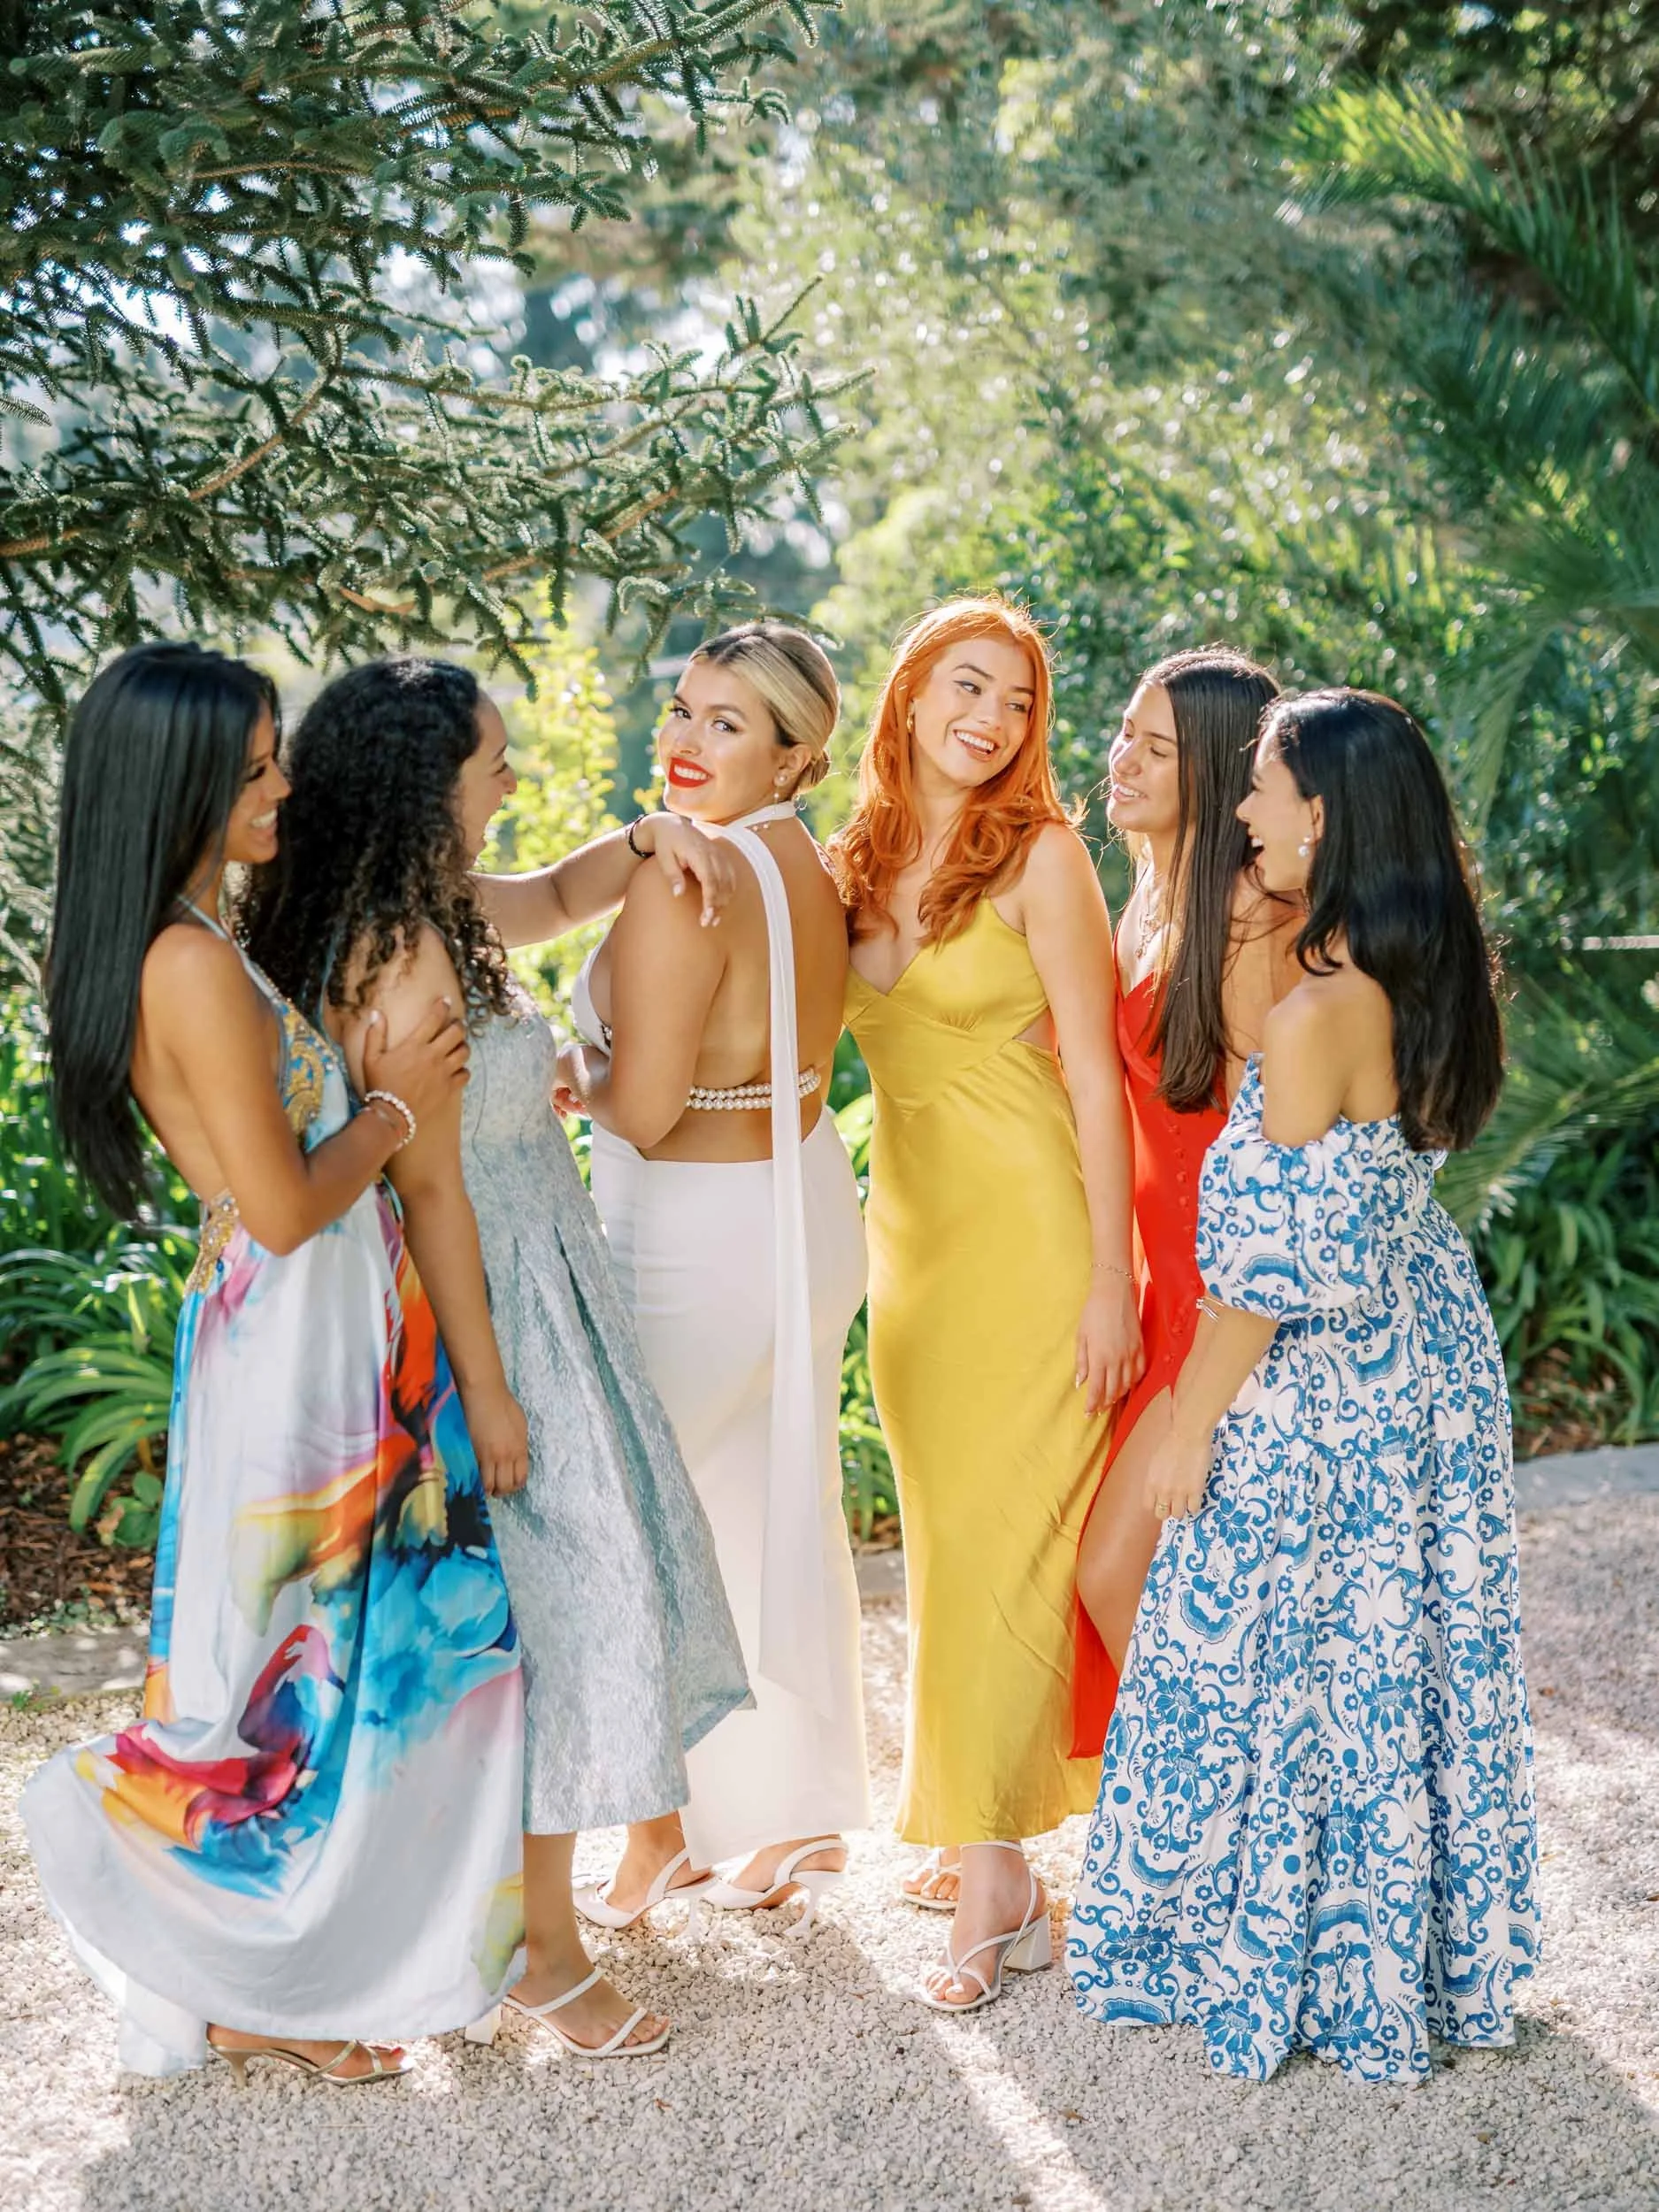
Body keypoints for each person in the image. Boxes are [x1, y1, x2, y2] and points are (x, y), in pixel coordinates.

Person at [23, 642, 525, 2086]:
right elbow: (292, 1205)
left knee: (299, 1651)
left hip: (297, 1327)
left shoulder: (189, 939)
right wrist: (393, 1109)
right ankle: (233, 1975)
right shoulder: (181, 965)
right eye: (252, 770)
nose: (283, 787)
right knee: (272, 1666)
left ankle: (276, 1968)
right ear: (173, 785)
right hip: (285, 1323)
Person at [242, 656, 751, 2059]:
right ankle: (538, 1946)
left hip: (542, 1281)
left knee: (575, 1604)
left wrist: (648, 841)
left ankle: (529, 1926)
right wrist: (488, 1390)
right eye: (493, 761)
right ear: (427, 784)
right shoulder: (395, 951)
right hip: (483, 1309)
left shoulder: (438, 909)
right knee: (545, 1619)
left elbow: (553, 897)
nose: (511, 778)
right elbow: (431, 1193)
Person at [1067, 687, 1538, 2084]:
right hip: (1421, 1351)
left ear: (1321, 813)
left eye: (1263, 789)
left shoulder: (1320, 1006)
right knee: (1374, 1659)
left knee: (1274, 1658)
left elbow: (1268, 1273)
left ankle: (1275, 1951)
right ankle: (1378, 1949)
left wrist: (1184, 1435)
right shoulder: (1406, 971)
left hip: (1333, 1376)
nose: (1247, 814)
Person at [832, 595, 1141, 2013]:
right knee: (952, 1543)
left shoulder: (1043, 853)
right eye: (969, 687)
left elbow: (1093, 1075)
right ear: (906, 695)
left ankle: (994, 1863)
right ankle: (986, 1833)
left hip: (1030, 1239)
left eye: (1016, 701)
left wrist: (1108, 1280)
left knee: (1010, 1541)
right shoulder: (851, 860)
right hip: (913, 1253)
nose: (993, 721)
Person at [557, 622, 870, 1941]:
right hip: (798, 1210)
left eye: (726, 724)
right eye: (681, 709)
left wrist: (551, 1078)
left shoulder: (680, 885)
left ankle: (658, 1835)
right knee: (762, 1502)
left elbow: (640, 1106)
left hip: (687, 1239)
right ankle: (792, 1807)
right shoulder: (805, 861)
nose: (682, 742)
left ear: (794, 754)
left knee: (633, 1536)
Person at [1073, 648, 1298, 1753]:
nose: (1122, 759)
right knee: (1157, 1593)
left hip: (1230, 1298)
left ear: (1214, 772)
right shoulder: (1150, 896)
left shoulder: (1254, 921)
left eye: (1155, 749)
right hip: (1164, 1285)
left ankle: (1202, 1836)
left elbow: (1290, 1147)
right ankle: (1180, 1841)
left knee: (1118, 1569)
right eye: (1124, 732)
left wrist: (1232, 1336)